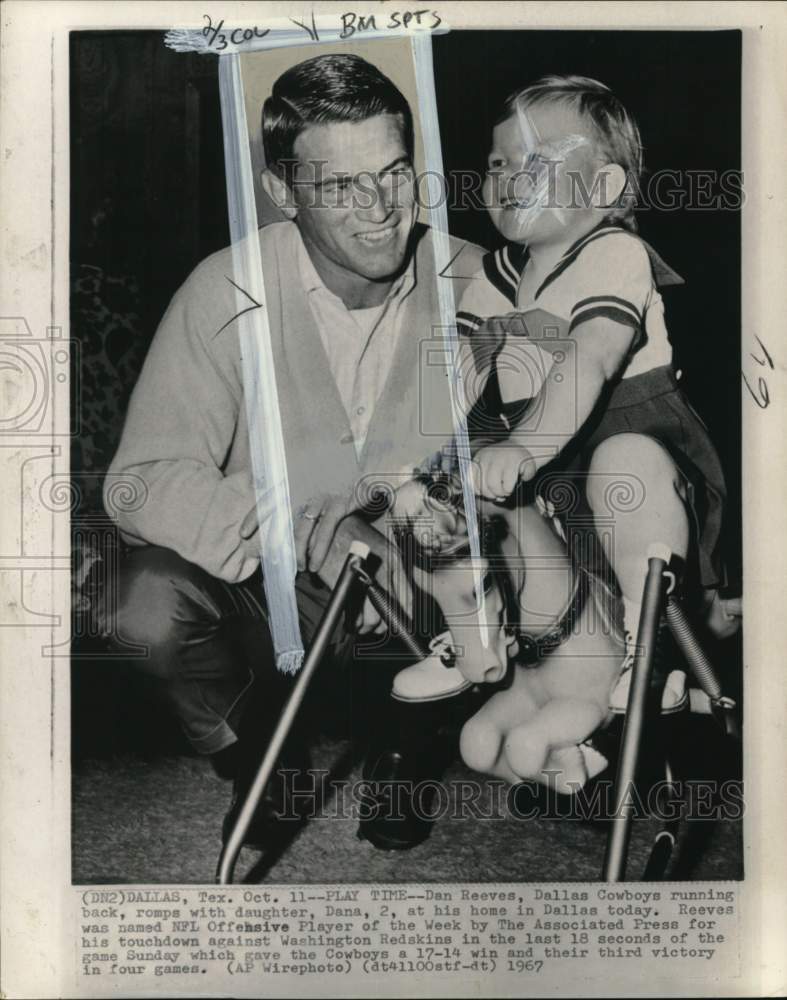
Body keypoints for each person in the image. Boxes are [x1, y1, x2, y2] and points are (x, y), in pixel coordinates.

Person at [99, 53, 484, 849]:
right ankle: (258, 762)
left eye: (396, 172)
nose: (382, 208)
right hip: (271, 595)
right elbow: (137, 486)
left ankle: (411, 744)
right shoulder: (226, 287)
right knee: (139, 603)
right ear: (282, 193)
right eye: (342, 185)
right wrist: (301, 531)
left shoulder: (478, 282)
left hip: (424, 601)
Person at [441, 75, 742, 777]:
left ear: (604, 187)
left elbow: (588, 358)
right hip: (555, 482)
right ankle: (492, 648)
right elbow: (452, 376)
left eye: (538, 163)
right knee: (469, 500)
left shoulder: (614, 252)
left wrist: (521, 444)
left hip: (642, 467)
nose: (510, 178)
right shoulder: (489, 274)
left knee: (623, 464)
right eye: (496, 163)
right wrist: (437, 456)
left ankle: (652, 652)